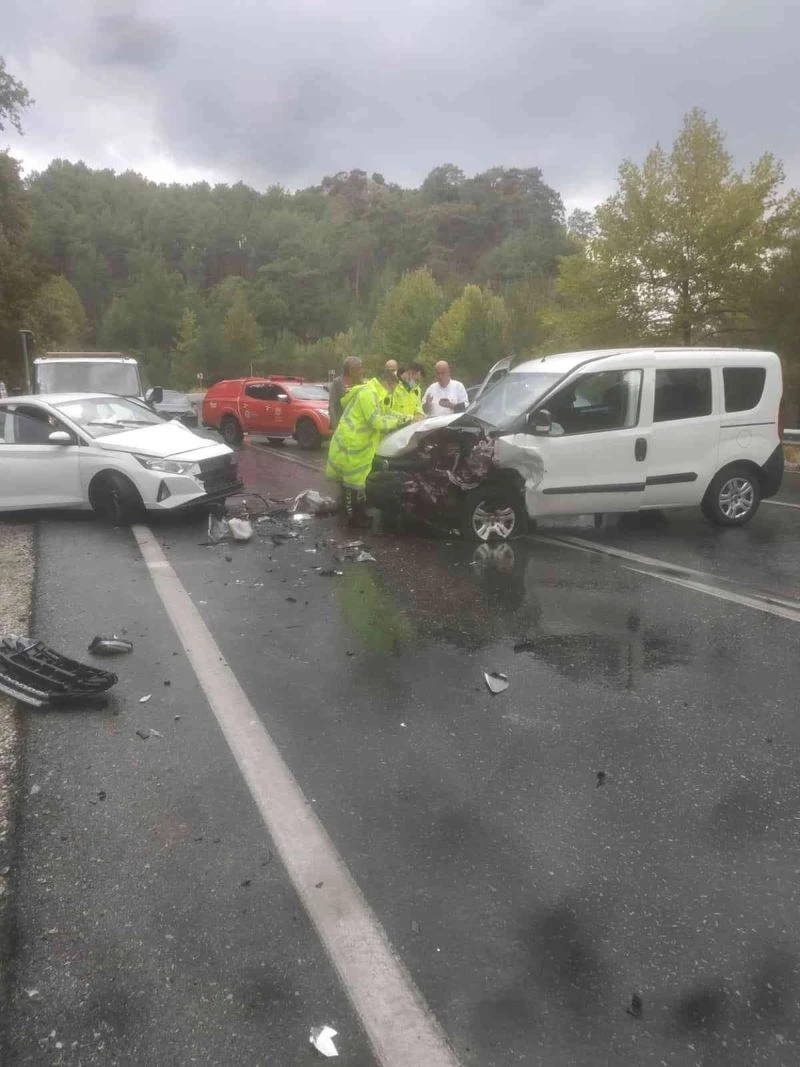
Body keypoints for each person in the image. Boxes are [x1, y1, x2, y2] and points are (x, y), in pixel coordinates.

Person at [326, 366, 417, 525]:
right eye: (392, 389)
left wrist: (408, 418)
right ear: (387, 384)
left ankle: (358, 513)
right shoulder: (368, 394)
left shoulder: (376, 393)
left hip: (359, 442)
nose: (392, 393)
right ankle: (353, 519)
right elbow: (376, 421)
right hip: (353, 442)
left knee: (357, 482)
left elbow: (387, 413)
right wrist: (402, 421)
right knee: (352, 483)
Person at [328, 356, 363, 431]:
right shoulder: (337, 382)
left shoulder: (360, 383)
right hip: (342, 425)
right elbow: (332, 406)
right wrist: (335, 426)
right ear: (351, 370)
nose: (361, 371)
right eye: (359, 368)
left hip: (356, 425)